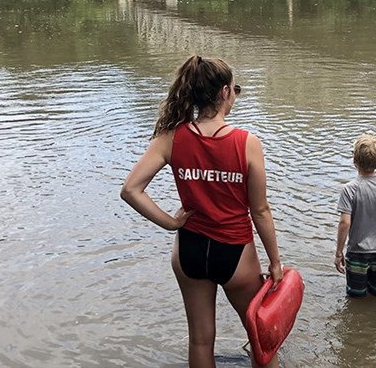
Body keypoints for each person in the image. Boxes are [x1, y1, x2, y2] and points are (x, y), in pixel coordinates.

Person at [120, 55, 282, 368]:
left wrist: (170, 223)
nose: (234, 95)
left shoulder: (170, 138)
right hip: (235, 252)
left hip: (189, 250)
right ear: (224, 92)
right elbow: (260, 210)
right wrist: (275, 263)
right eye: (234, 89)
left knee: (200, 339)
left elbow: (131, 190)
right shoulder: (247, 143)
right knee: (262, 338)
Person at [334, 134, 376, 297]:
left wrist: (338, 253)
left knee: (355, 297)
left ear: (354, 160)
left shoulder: (349, 189)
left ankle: (360, 321)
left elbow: (344, 223)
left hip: (357, 251)